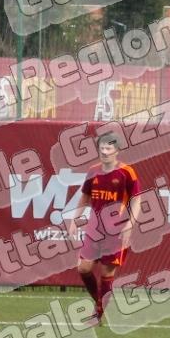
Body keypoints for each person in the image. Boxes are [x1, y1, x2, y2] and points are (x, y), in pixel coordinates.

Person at [69, 131, 141, 327]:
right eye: (102, 148)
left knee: (106, 274)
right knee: (83, 268)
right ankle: (99, 304)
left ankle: (97, 316)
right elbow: (85, 197)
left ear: (117, 150)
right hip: (94, 229)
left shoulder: (127, 172)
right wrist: (75, 218)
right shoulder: (93, 171)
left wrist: (130, 223)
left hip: (116, 230)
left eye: (108, 148)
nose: (105, 152)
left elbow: (136, 200)